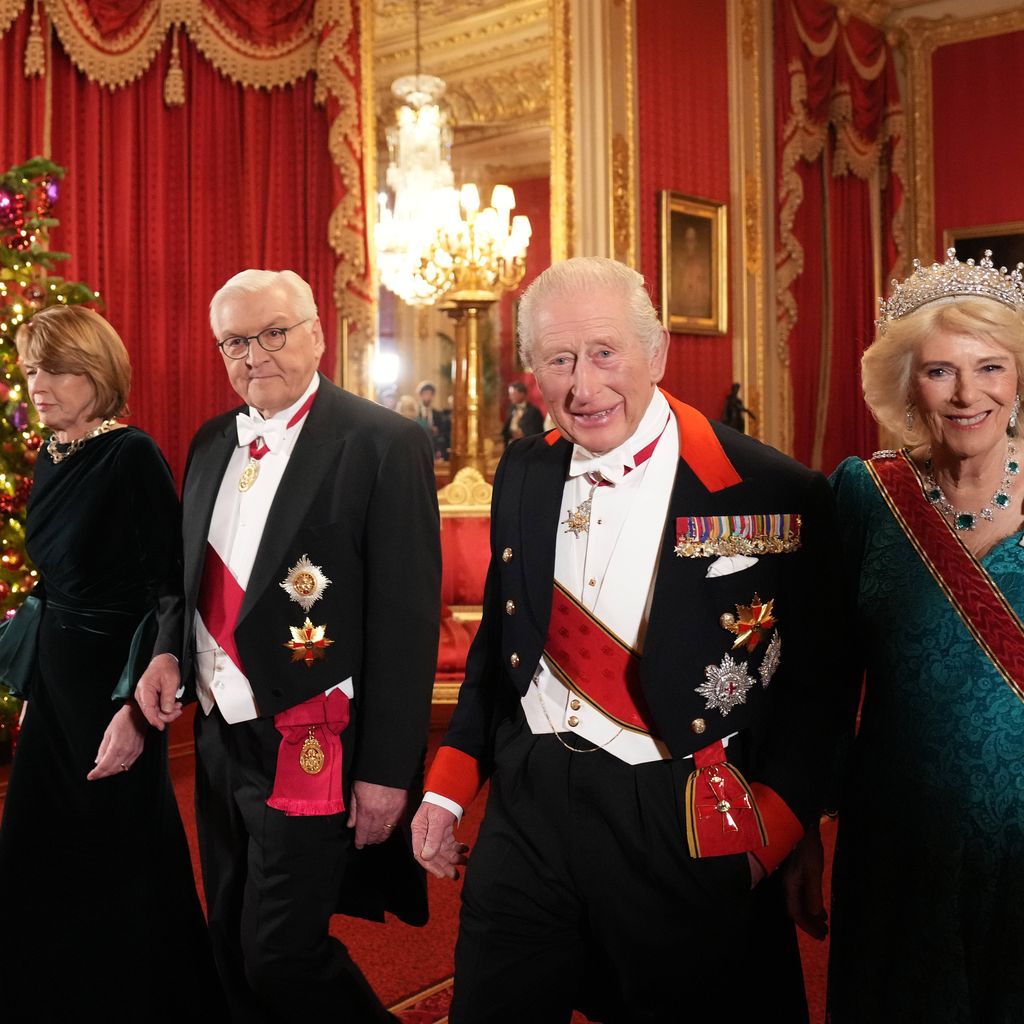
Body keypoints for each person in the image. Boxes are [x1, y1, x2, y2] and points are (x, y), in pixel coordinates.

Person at [411, 257, 837, 1023]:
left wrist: (768, 832)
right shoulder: (525, 471)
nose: (584, 386)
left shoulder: (774, 490)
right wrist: (447, 785)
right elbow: (499, 652)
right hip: (530, 801)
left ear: (658, 353)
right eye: (559, 360)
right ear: (533, 368)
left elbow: (821, 688)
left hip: (675, 807)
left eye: (605, 353)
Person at [136, 269, 441, 1021]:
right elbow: (188, 577)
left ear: (317, 334)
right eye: (235, 341)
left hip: (314, 741)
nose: (255, 353)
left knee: (281, 952)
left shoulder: (382, 443)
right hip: (218, 735)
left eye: (274, 332)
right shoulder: (211, 440)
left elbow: (406, 624)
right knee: (232, 939)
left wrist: (386, 773)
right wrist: (169, 650)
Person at [0, 305, 220, 1014]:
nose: (39, 384)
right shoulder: (52, 453)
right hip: (55, 688)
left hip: (117, 691)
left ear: (98, 374)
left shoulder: (130, 455)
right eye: (32, 368)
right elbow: (52, 587)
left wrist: (135, 711)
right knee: (36, 851)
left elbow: (168, 590)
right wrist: (34, 682)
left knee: (122, 857)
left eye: (58, 369)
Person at [823, 249, 1024, 1020]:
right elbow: (828, 677)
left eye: (991, 367)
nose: (968, 393)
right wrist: (807, 826)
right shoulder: (867, 494)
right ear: (909, 383)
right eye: (941, 371)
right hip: (899, 841)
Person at [501, 380, 544, 446]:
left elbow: (538, 432)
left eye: (513, 394)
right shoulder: (510, 409)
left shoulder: (534, 411)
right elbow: (506, 429)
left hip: (526, 445)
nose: (510, 397)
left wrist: (523, 434)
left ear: (522, 394)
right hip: (511, 445)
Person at [417, 379, 447, 459]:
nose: (428, 396)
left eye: (430, 394)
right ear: (421, 395)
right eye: (425, 393)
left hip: (433, 445)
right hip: (419, 444)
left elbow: (442, 432)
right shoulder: (416, 412)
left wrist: (436, 430)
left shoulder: (438, 414)